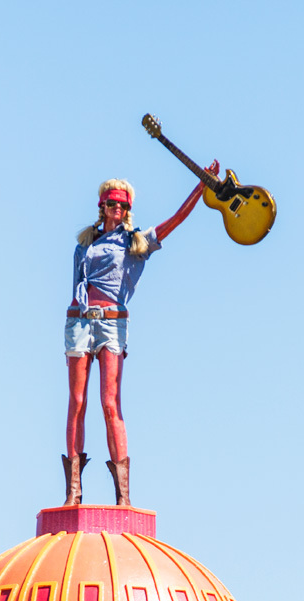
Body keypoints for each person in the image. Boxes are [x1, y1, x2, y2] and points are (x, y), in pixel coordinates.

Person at [63, 162, 219, 506]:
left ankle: (123, 496)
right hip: (79, 321)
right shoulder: (84, 245)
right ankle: (74, 491)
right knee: (76, 402)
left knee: (109, 402)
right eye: (111, 204)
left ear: (127, 210)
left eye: (122, 205)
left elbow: (174, 222)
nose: (116, 210)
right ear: (102, 207)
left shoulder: (135, 243)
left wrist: (199, 187)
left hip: (113, 322)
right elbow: (77, 286)